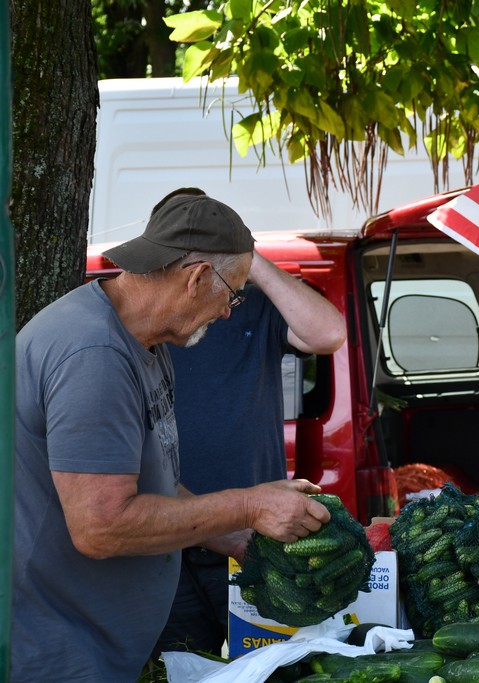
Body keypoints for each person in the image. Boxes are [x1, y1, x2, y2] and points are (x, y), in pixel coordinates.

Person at [12, 192, 333, 681]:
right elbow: (101, 526)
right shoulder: (94, 357)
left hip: (94, 643)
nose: (229, 312)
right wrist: (249, 506)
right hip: (56, 652)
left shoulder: (146, 338)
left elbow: (156, 482)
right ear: (197, 278)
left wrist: (234, 536)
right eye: (232, 293)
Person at [152, 188, 346, 658]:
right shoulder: (146, 316)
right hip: (163, 537)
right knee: (177, 667)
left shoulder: (248, 304)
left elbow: (328, 334)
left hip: (252, 539)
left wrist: (246, 258)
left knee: (266, 665)